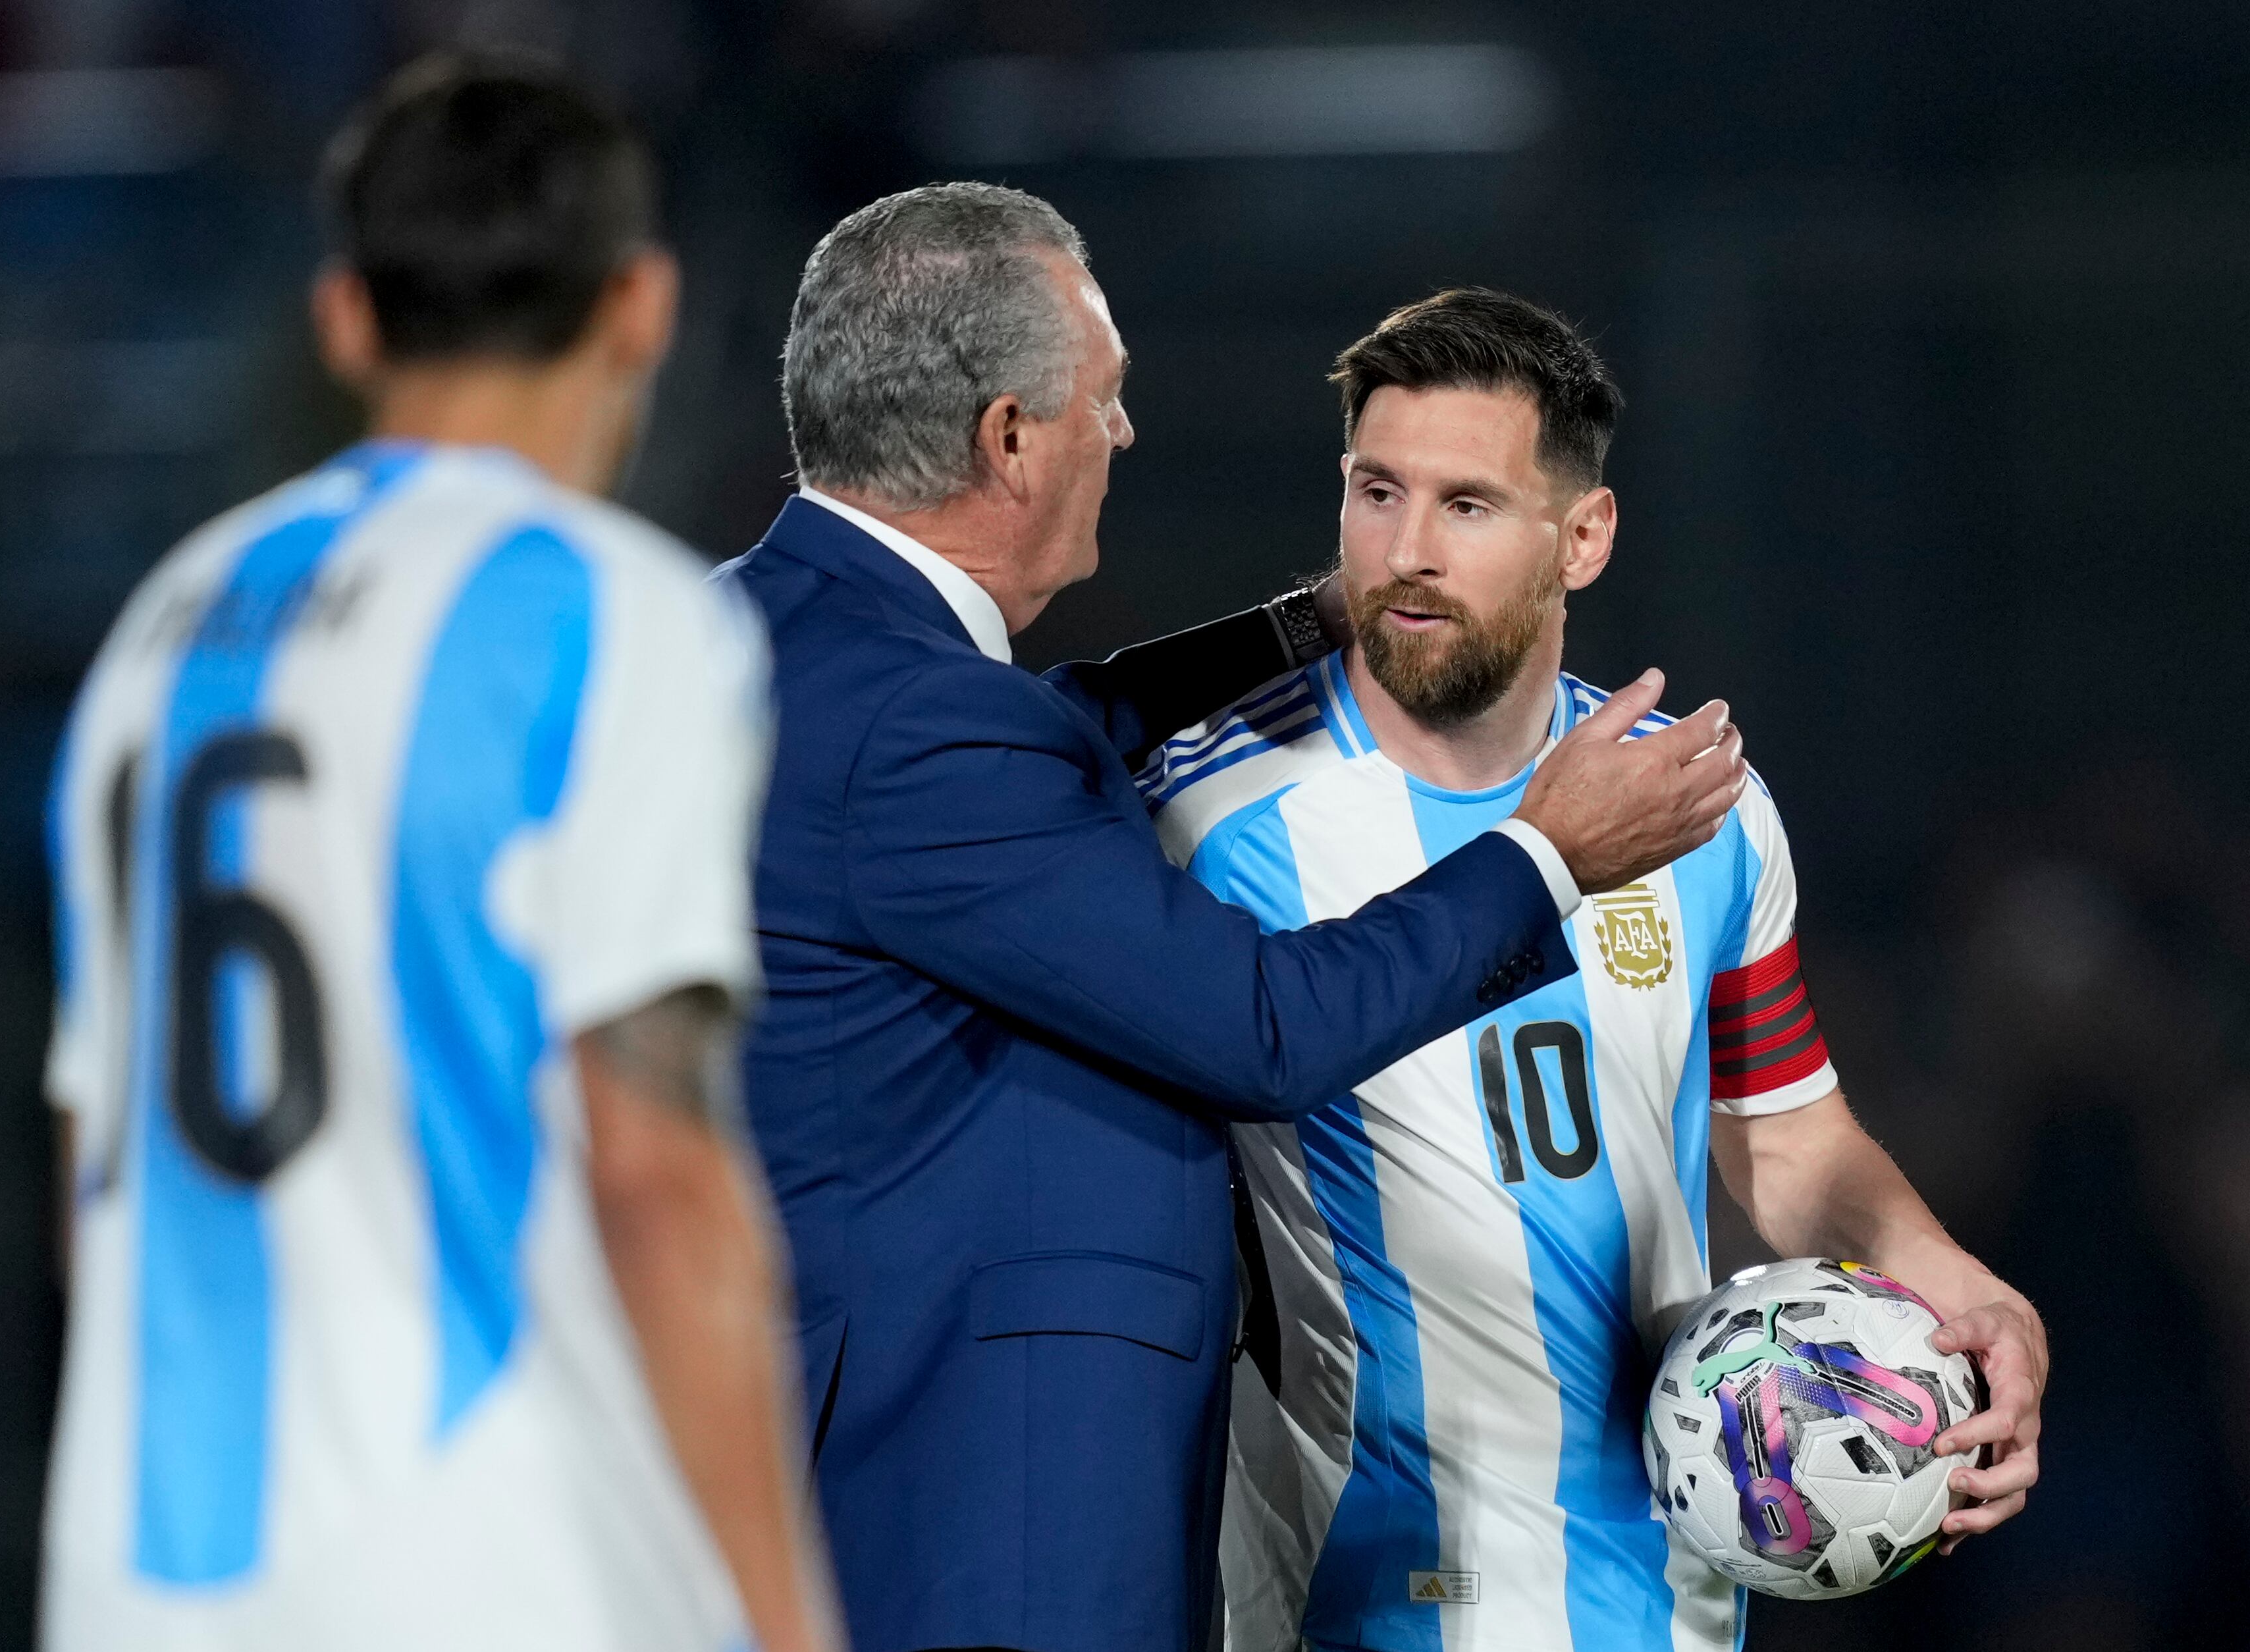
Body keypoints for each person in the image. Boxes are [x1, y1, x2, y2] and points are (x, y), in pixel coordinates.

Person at [719, 184, 1749, 1652]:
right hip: (979, 1517)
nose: (1123, 435)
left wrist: (1310, 620)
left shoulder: (772, 637)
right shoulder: (922, 733)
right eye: (1106, 399)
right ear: (1008, 438)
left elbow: (1042, 737)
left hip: (857, 1462)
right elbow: (1266, 1030)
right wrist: (1543, 853)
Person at [38, 56, 836, 1652]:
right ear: (643, 305)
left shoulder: (159, 632)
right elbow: (656, 1168)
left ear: (345, 317)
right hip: (494, 1569)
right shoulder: (619, 614)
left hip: (137, 1588)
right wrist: (785, 1618)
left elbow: (91, 1164)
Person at [1144, 286, 2048, 1652]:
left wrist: (1945, 1274)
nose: (1403, 550)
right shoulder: (1211, 823)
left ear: (1583, 536)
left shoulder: (1705, 807)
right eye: (1373, 491)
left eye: (1466, 505)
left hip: (1664, 1593)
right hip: (1358, 1600)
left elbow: (1785, 1130)